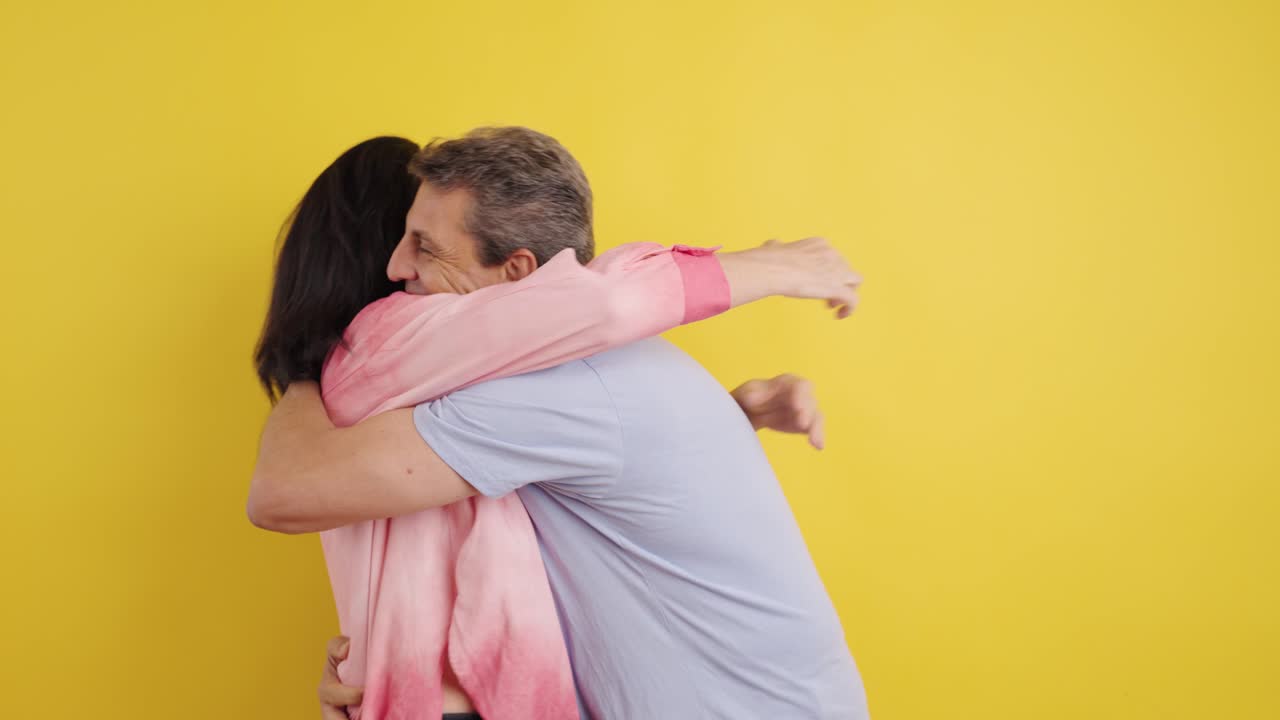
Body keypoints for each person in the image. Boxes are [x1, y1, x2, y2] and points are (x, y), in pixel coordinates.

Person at [250, 129, 866, 719]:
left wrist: (307, 352)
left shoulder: (547, 389)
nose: (395, 269)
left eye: (426, 246)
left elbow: (286, 492)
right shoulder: (604, 374)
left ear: (517, 275)